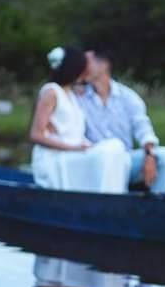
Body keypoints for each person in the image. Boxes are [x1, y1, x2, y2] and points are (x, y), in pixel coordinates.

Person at [29, 46, 130, 193]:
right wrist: (74, 148)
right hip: (56, 158)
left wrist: (85, 145)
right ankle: (104, 199)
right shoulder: (51, 92)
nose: (86, 73)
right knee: (112, 147)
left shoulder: (71, 93)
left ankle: (110, 197)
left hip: (73, 154)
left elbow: (71, 131)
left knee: (119, 151)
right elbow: (36, 135)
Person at [78, 50, 165, 193]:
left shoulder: (128, 97)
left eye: (87, 62)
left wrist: (150, 156)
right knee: (108, 159)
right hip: (94, 160)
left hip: (125, 160)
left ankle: (152, 206)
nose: (82, 67)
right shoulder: (77, 97)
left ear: (104, 65)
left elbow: (143, 129)